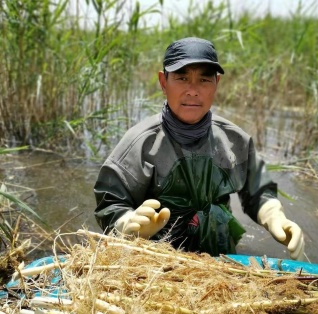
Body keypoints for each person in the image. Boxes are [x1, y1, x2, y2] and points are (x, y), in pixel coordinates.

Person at [94, 37, 305, 260]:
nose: (193, 90)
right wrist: (128, 225)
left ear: (217, 83)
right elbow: (109, 203)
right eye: (182, 78)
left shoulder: (234, 140)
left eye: (204, 80)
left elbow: (258, 190)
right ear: (163, 82)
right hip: (155, 258)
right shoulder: (140, 143)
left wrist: (274, 216)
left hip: (219, 253)